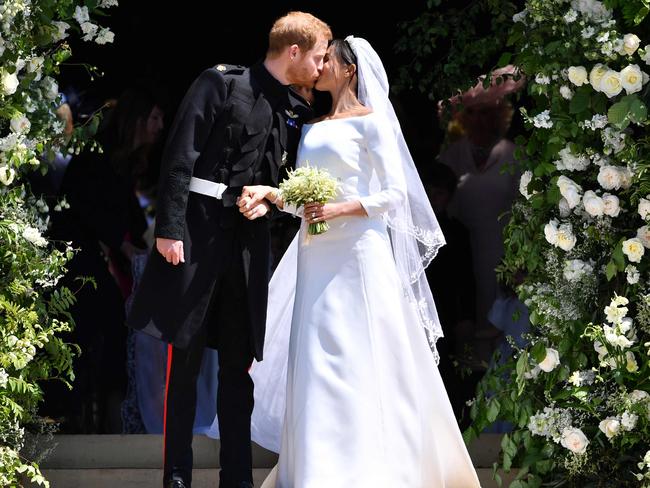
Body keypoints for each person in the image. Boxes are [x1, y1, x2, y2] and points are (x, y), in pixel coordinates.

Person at [232, 37, 480, 487]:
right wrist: (275, 195)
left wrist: (340, 209)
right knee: (316, 356)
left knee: (362, 351)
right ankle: (317, 469)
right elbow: (306, 199)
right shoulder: (310, 126)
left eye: (329, 58)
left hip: (358, 253)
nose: (320, 64)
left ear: (349, 70)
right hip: (316, 253)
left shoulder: (371, 124)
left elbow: (394, 194)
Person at [125, 12, 331, 488]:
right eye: (318, 57)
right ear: (294, 51)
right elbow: (181, 152)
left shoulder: (296, 111)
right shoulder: (220, 83)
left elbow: (286, 187)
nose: (321, 68)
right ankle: (176, 473)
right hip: (196, 236)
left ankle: (235, 478)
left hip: (247, 249)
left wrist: (271, 208)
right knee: (186, 361)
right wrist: (168, 228)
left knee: (239, 370)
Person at [438, 66, 525, 361]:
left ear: (498, 115)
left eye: (485, 112)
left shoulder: (513, 153)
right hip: (462, 250)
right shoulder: (450, 156)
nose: (479, 119)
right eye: (472, 113)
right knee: (467, 322)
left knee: (502, 322)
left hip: (504, 248)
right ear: (463, 117)